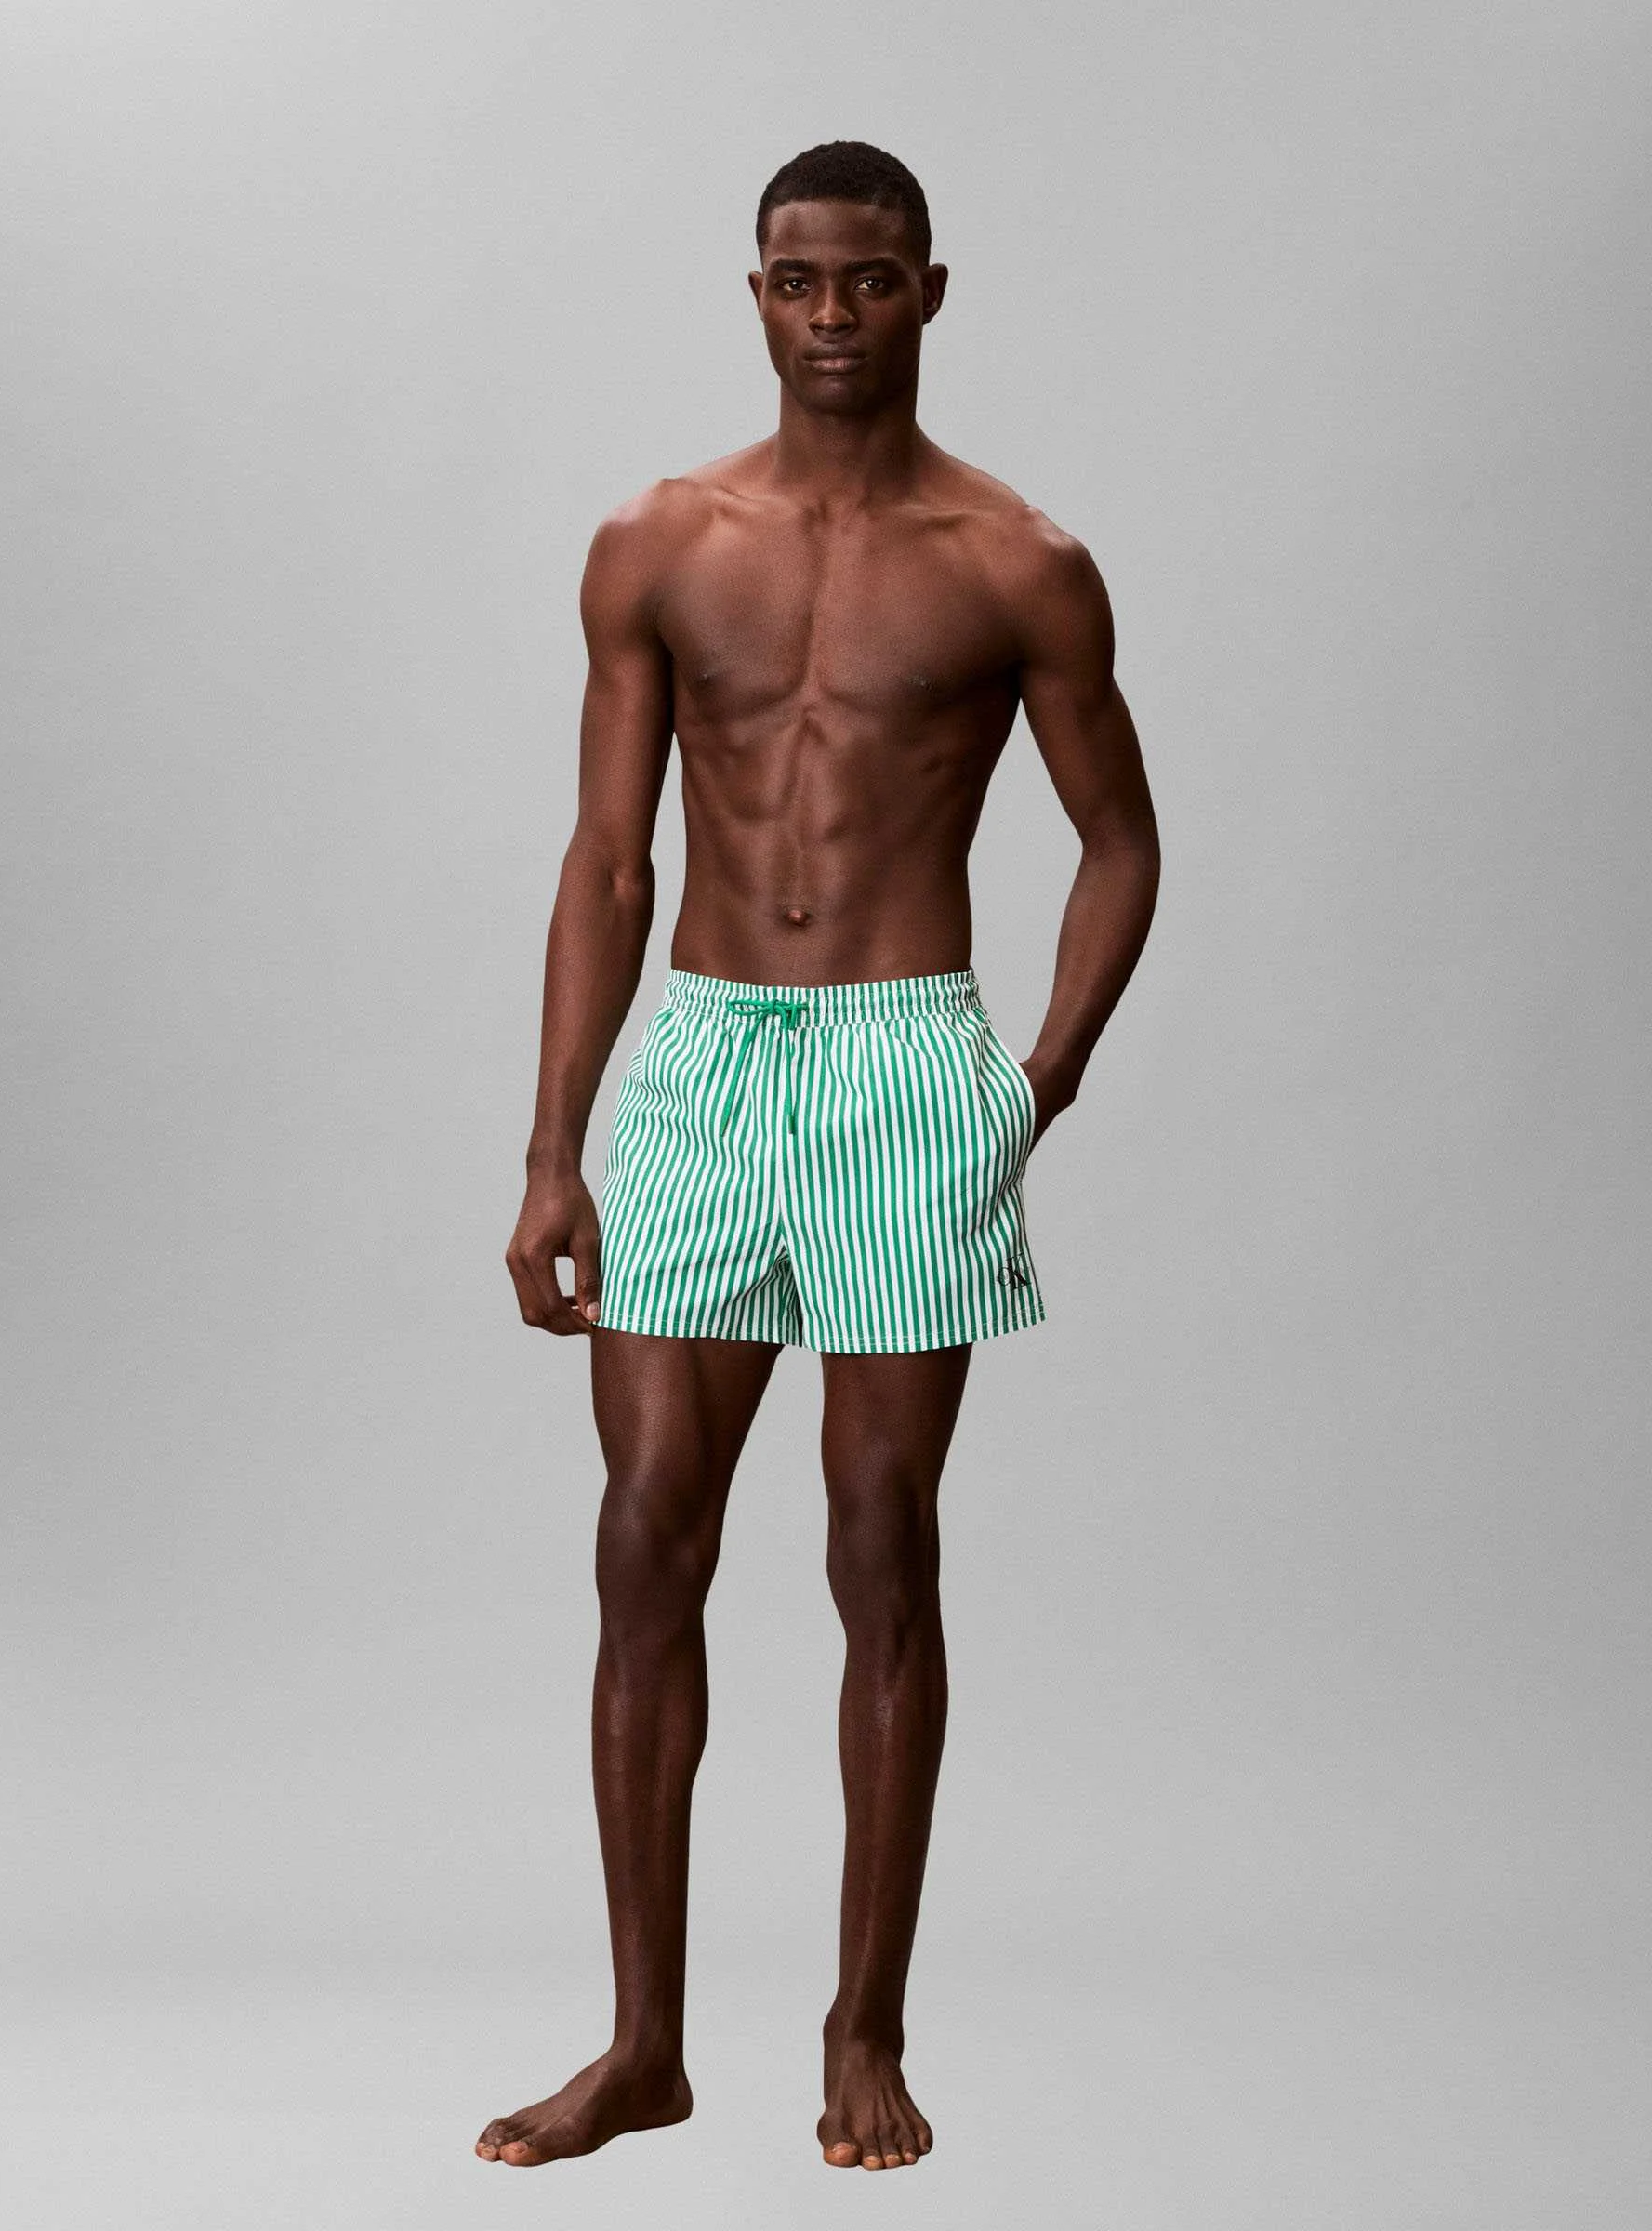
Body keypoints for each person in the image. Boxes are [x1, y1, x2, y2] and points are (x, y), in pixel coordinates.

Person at [480, 139, 1160, 2175]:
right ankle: (642, 2048)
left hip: (904, 1061)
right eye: (800, 281)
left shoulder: (1018, 561)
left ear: (930, 291)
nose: (836, 315)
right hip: (699, 1060)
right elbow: (610, 861)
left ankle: (865, 2032)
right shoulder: (659, 542)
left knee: (881, 1544)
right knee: (644, 1538)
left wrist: (1036, 1078)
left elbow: (1121, 839)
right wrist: (552, 1147)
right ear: (756, 294)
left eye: (871, 280)